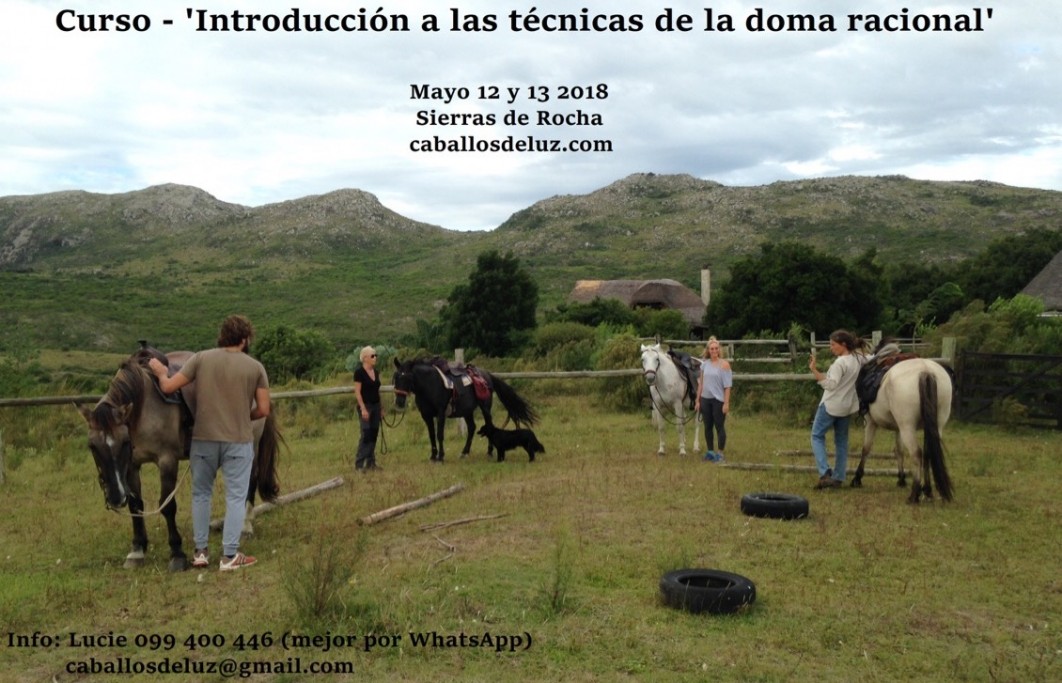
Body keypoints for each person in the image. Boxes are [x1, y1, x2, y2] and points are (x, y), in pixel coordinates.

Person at [147, 314, 270, 571]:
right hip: (238, 441)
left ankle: (201, 552)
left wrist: (160, 372)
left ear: (222, 336)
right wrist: (241, 415)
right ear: (245, 339)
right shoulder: (255, 367)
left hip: (203, 440)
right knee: (235, 496)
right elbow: (263, 410)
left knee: (201, 494)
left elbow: (168, 387)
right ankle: (229, 555)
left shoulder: (200, 359)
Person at [808, 330, 868, 489]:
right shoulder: (857, 359)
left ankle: (825, 473)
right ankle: (839, 477)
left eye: (833, 344)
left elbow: (831, 384)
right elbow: (870, 358)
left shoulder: (840, 363)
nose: (831, 348)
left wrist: (814, 370)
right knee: (841, 442)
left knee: (816, 436)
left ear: (843, 344)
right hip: (847, 407)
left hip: (830, 405)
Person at [695, 337, 732, 463]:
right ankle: (710, 452)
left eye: (716, 348)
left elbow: (727, 386)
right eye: (712, 349)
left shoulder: (724, 365)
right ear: (708, 350)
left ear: (719, 349)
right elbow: (701, 384)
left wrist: (726, 403)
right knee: (707, 427)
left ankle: (720, 453)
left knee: (719, 426)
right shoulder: (704, 365)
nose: (714, 350)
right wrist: (698, 400)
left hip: (718, 400)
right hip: (705, 399)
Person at [353, 345, 384, 472]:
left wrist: (381, 407)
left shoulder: (376, 372)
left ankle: (371, 463)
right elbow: (357, 392)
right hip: (366, 406)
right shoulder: (359, 373)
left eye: (376, 355)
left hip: (376, 406)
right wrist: (363, 409)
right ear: (365, 358)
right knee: (366, 434)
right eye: (372, 355)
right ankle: (359, 464)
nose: (375, 357)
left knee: (374, 434)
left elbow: (377, 391)